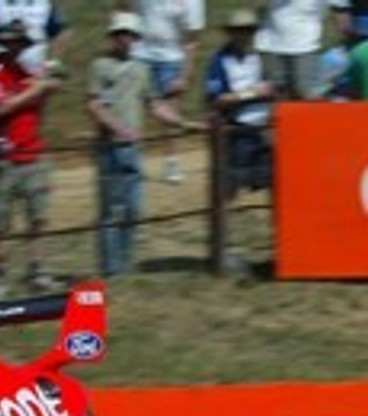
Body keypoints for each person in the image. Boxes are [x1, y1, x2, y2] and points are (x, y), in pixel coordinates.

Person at [88, 12, 199, 279]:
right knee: (109, 211)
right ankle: (110, 269)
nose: (124, 39)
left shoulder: (141, 69)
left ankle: (125, 265)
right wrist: (119, 128)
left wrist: (182, 123)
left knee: (133, 209)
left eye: (129, 35)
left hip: (132, 147)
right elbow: (94, 105)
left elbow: (155, 105)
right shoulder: (99, 66)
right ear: (113, 37)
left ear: (135, 39)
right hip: (108, 146)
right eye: (120, 34)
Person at [0, 21, 59, 298]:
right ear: (4, 43)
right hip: (5, 158)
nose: (16, 47)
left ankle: (38, 271)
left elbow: (40, 105)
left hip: (34, 153)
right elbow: (1, 108)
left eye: (20, 42)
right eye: (11, 41)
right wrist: (39, 89)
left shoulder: (28, 71)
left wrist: (46, 87)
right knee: (1, 223)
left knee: (38, 218)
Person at [132, 0, 204, 184]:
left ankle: (172, 162)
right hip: (140, 54)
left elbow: (192, 40)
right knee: (134, 112)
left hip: (172, 58)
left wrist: (185, 76)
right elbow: (121, 7)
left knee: (170, 115)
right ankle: (132, 162)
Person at [205, 10, 276, 198]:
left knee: (272, 179)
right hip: (237, 131)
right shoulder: (219, 60)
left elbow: (273, 87)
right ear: (231, 33)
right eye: (239, 31)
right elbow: (217, 99)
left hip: (262, 129)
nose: (244, 36)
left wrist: (270, 92)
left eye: (248, 31)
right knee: (230, 186)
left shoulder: (260, 57)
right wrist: (252, 93)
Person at [256, 0, 330, 100]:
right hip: (272, 45)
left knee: (305, 91)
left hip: (306, 46)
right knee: (277, 91)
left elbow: (321, 14)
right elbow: (259, 6)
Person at [0, 0, 70, 74]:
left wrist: (52, 63)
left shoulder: (43, 4)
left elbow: (60, 32)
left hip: (34, 70)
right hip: (2, 71)